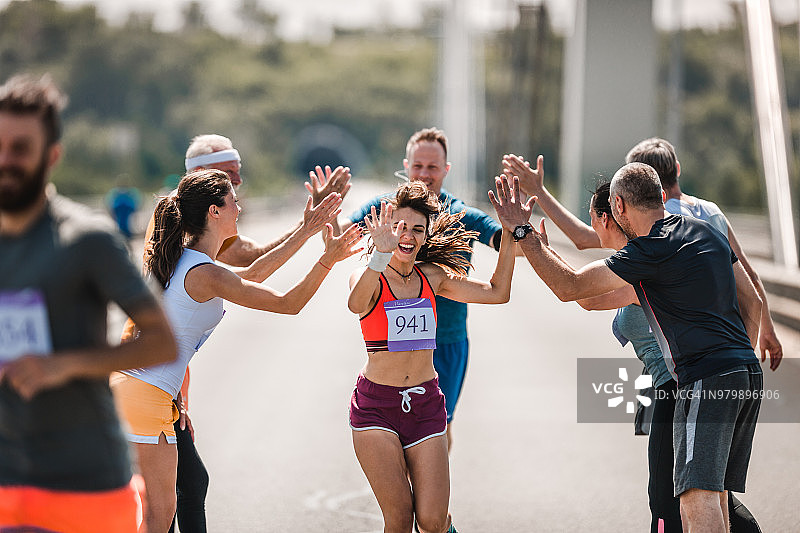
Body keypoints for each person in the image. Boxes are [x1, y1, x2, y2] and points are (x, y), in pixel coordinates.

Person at [490, 165, 763, 533]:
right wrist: (735, 359)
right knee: (715, 497)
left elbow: (571, 287)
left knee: (697, 498)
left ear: (617, 206)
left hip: (705, 378)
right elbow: (753, 302)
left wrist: (522, 232)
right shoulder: (707, 232)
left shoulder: (650, 250)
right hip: (746, 372)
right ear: (661, 198)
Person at [120, 134, 350, 533]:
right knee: (159, 515)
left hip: (142, 391)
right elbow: (288, 302)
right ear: (214, 211)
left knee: (167, 504)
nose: (240, 206)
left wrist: (310, 231)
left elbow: (251, 275)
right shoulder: (203, 270)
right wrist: (326, 257)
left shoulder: (186, 257)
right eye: (233, 199)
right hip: (146, 394)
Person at [0, 73, 176, 532]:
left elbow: (161, 342)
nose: (5, 160)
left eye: (20, 148)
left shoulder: (86, 239)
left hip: (84, 484)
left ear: (51, 156)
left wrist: (63, 365)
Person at [348, 181, 515, 533]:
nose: (407, 236)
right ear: (388, 229)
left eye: (417, 229)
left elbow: (498, 293)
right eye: (400, 227)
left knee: (433, 521)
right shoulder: (370, 276)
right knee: (399, 519)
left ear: (426, 236)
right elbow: (356, 304)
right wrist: (378, 256)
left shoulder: (433, 278)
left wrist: (512, 237)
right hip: (377, 407)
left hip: (425, 405)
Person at [342, 127, 503, 450]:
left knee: (440, 428)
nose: (424, 174)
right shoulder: (385, 211)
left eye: (432, 167)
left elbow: (503, 239)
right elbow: (339, 241)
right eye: (418, 166)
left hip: (447, 340)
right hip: (394, 345)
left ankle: (431, 492)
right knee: (396, 431)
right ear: (406, 165)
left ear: (446, 169)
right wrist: (325, 214)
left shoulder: (461, 215)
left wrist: (518, 228)